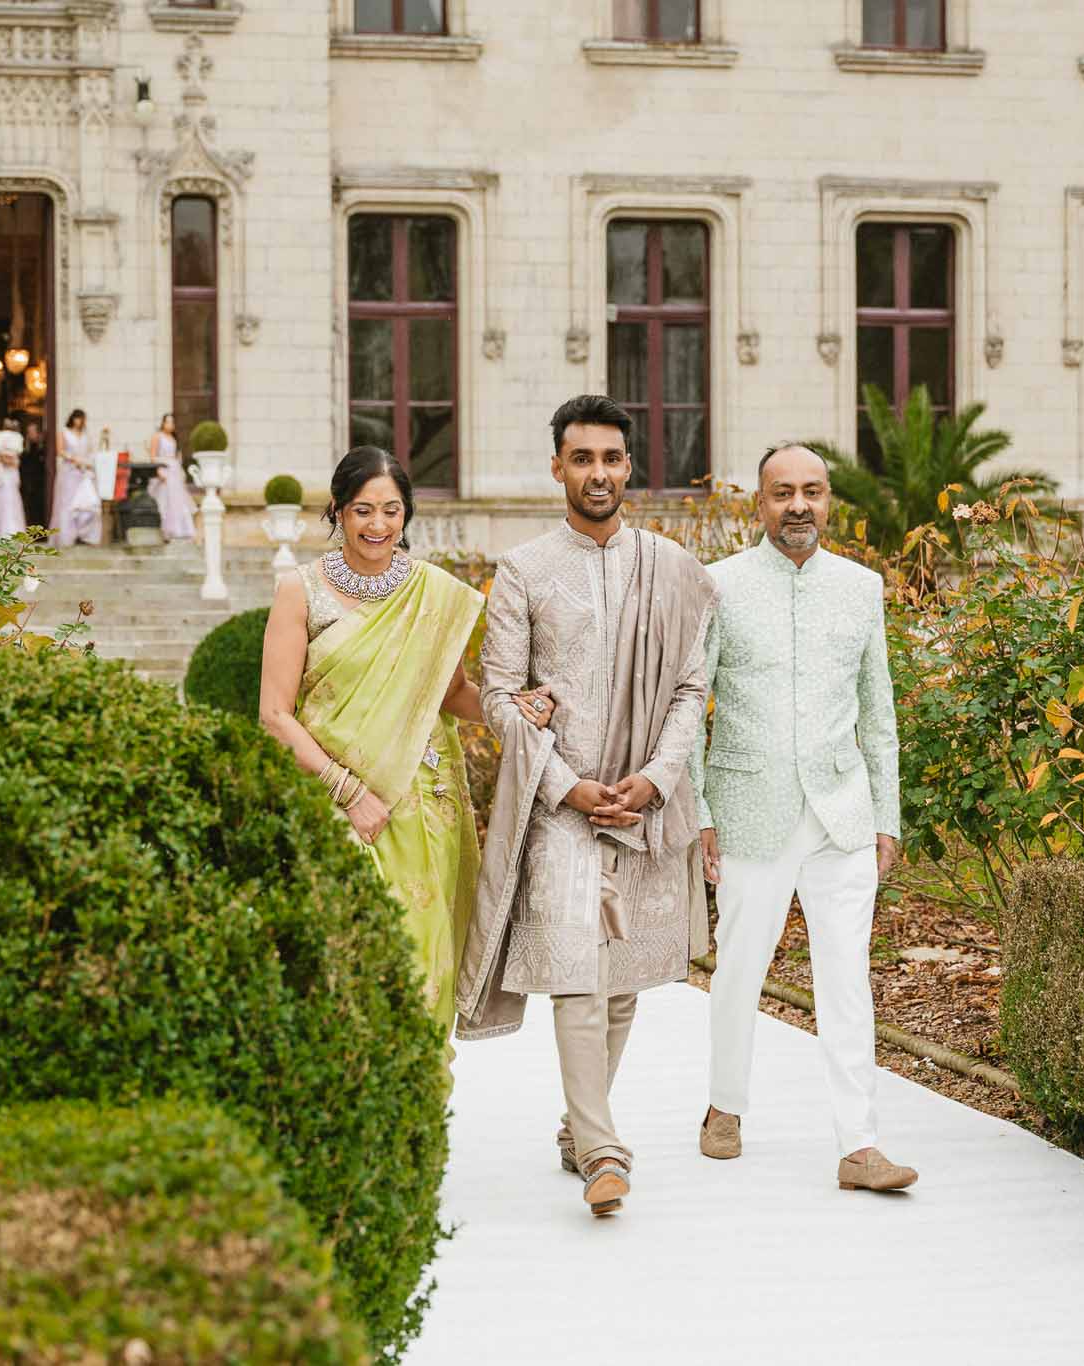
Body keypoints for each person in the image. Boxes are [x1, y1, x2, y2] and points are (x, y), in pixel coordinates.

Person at [455, 394, 717, 1218]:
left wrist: (656, 778)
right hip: (558, 801)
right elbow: (500, 697)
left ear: (628, 466)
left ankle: (578, 1127)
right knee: (576, 969)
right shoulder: (526, 570)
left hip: (644, 798)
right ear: (558, 466)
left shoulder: (672, 568)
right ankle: (605, 1150)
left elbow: (690, 689)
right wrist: (567, 785)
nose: (597, 473)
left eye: (611, 459)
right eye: (582, 459)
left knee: (624, 978)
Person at [258, 446, 556, 1046]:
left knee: (424, 960)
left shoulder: (432, 594)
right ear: (338, 513)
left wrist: (513, 709)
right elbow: (273, 715)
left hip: (425, 806)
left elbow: (454, 695)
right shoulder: (301, 591)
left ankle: (419, 1102)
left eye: (391, 511)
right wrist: (349, 792)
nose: (377, 525)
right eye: (363, 510)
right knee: (345, 957)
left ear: (406, 516)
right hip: (336, 803)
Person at [689, 443, 916, 1194]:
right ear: (759, 503)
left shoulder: (861, 588)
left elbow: (878, 713)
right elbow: (690, 707)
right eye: (782, 492)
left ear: (829, 502)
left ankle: (860, 1145)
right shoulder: (717, 586)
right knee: (740, 970)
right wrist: (697, 811)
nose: (798, 505)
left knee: (847, 979)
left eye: (812, 492)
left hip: (842, 816)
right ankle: (725, 1105)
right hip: (749, 810)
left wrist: (887, 814)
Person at [51, 408, 101, 548]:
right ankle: (66, 536)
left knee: (85, 502)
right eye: (77, 418)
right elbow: (60, 451)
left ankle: (84, 534)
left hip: (82, 472)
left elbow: (90, 451)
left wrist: (87, 462)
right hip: (69, 471)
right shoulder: (64, 432)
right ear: (72, 419)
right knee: (68, 502)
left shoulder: (85, 435)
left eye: (82, 419)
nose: (79, 422)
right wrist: (73, 459)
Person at [150, 412, 195, 542]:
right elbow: (152, 456)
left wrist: (180, 472)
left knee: (177, 501)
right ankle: (165, 530)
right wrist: (158, 471)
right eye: (167, 422)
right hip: (164, 471)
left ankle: (178, 529)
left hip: (174, 472)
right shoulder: (157, 437)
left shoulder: (174, 439)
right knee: (165, 501)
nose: (170, 425)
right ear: (163, 423)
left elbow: (176, 457)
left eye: (172, 422)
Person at [0, 410, 27, 538]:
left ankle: (11, 530)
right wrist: (2, 457)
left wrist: (4, 457)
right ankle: (2, 530)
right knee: (2, 501)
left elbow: (14, 460)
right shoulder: (3, 437)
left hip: (9, 474)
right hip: (1, 474)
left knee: (11, 500)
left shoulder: (15, 438)